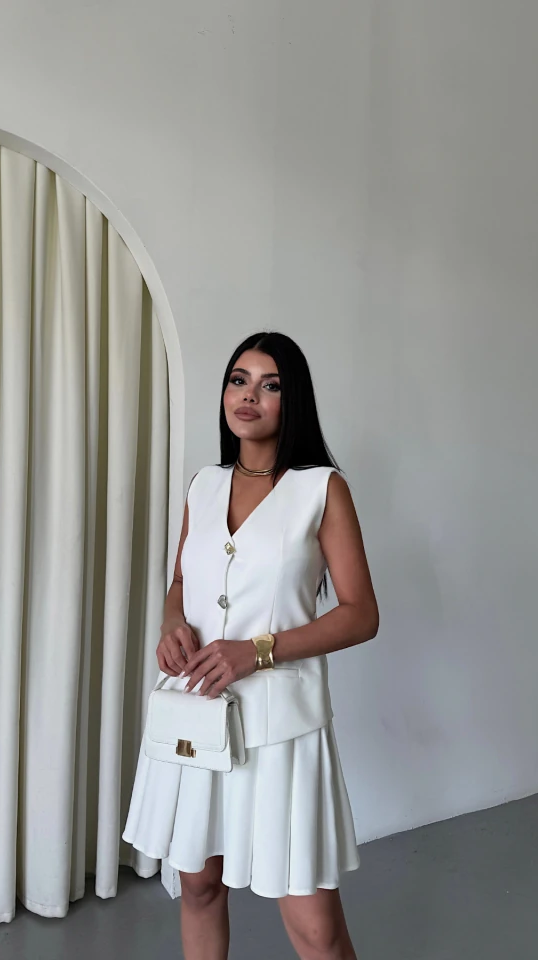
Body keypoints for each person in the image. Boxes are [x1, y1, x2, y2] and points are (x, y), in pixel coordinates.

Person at [123, 331, 379, 960]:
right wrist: (171, 626)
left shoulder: (322, 490)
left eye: (270, 385)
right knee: (198, 886)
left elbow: (361, 615)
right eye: (239, 380)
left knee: (315, 927)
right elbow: (180, 583)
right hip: (197, 716)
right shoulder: (203, 485)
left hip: (280, 728)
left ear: (294, 402)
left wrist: (256, 651)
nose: (249, 396)